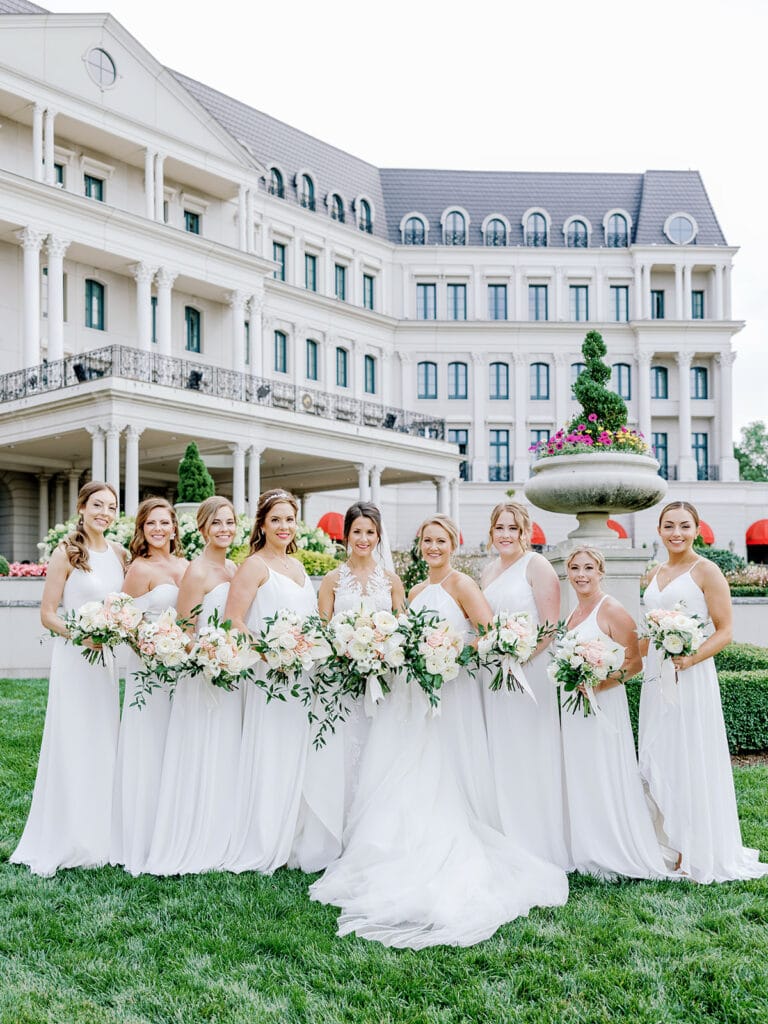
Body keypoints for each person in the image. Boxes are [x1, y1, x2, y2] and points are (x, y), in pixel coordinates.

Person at [310, 514, 568, 948]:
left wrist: (447, 650)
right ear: (419, 546)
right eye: (426, 540)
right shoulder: (412, 591)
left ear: (454, 543)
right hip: (413, 694)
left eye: (441, 541)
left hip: (452, 691)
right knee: (405, 768)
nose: (433, 547)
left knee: (444, 771)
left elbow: (488, 634)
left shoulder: (463, 584)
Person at [639, 501, 768, 882]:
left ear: (696, 529)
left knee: (688, 752)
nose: (675, 533)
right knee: (659, 750)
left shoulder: (707, 571)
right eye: (668, 526)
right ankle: (664, 842)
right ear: (659, 530)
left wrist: (689, 660)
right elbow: (648, 634)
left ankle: (693, 849)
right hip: (655, 677)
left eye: (683, 526)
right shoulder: (653, 572)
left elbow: (725, 630)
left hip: (691, 677)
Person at [11, 482, 126, 876]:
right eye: (97, 505)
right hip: (76, 657)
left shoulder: (119, 554)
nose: (104, 513)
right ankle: (70, 833)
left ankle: (103, 833)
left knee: (103, 737)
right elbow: (47, 613)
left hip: (105, 662)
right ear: (82, 506)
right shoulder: (67, 551)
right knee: (74, 738)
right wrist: (83, 635)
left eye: (111, 507)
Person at [294, 502, 405, 871]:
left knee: (377, 751)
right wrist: (343, 650)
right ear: (346, 535)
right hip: (338, 682)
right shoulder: (331, 580)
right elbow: (320, 631)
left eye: (370, 532)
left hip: (380, 682)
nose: (364, 538)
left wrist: (381, 651)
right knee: (340, 753)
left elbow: (402, 631)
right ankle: (333, 834)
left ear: (378, 536)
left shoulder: (390, 581)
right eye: (357, 531)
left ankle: (370, 834)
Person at [560, 546, 671, 880]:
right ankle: (585, 844)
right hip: (576, 707)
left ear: (601, 571)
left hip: (604, 703)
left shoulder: (612, 609)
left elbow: (635, 663)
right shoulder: (572, 613)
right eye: (575, 568)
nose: (581, 574)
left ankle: (612, 845)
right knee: (581, 771)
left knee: (605, 769)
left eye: (588, 568)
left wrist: (599, 684)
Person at [144, 496, 240, 875]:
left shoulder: (234, 567)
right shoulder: (196, 573)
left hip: (232, 675)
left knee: (228, 751)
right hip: (203, 676)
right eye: (217, 523)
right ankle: (197, 835)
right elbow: (183, 632)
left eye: (230, 522)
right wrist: (209, 655)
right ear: (202, 529)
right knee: (203, 751)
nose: (225, 530)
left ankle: (227, 833)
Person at [223, 489, 316, 874]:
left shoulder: (298, 566)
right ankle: (264, 837)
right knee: (272, 750)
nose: (283, 526)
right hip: (270, 677)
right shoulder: (254, 566)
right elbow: (233, 620)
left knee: (300, 750)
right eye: (275, 519)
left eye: (289, 519)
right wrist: (271, 652)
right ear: (262, 524)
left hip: (304, 677)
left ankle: (297, 834)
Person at [481, 502, 570, 869]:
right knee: (500, 747)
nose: (505, 534)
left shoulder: (537, 566)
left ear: (524, 532)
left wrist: (521, 656)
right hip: (494, 672)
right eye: (499, 527)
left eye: (512, 528)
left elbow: (550, 624)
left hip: (530, 670)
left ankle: (538, 836)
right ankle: (503, 829)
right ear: (491, 532)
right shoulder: (487, 571)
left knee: (530, 746)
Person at [110, 497, 188, 876]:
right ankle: (142, 835)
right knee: (150, 743)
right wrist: (150, 645)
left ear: (175, 527)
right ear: (142, 530)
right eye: (151, 524)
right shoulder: (138, 569)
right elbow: (123, 622)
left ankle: (178, 827)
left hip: (184, 669)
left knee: (179, 743)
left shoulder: (188, 567)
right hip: (149, 670)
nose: (159, 529)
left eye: (165, 522)